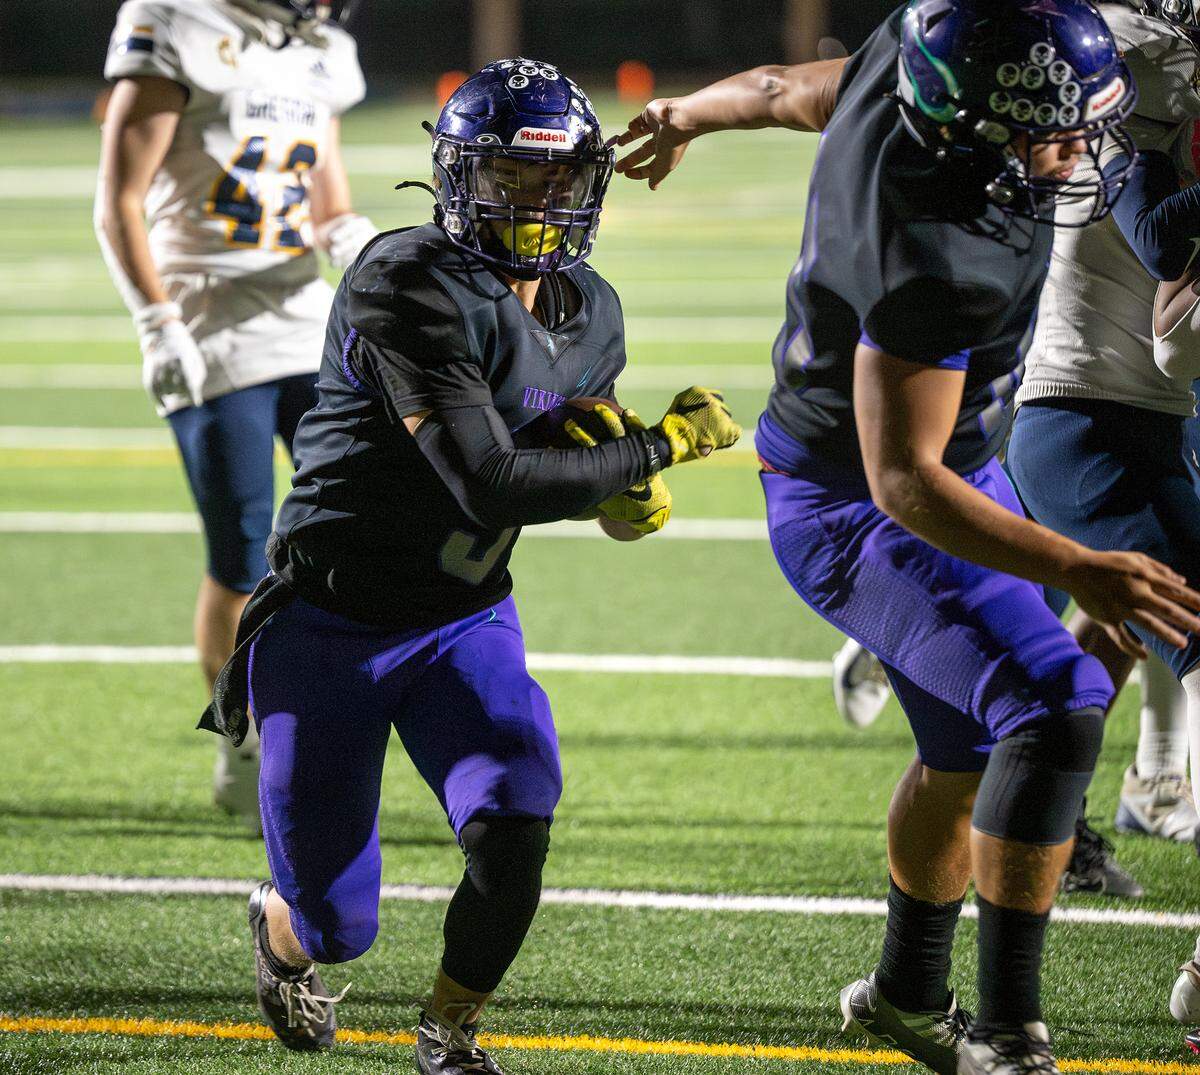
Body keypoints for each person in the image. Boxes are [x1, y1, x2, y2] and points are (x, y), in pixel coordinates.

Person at [613, 2, 1200, 1071]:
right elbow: (904, 482)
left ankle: (906, 994)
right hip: (854, 502)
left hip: (930, 466)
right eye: (1061, 131)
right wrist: (1078, 565)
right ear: (982, 132)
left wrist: (688, 113)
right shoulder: (941, 247)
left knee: (966, 746)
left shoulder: (917, 75)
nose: (1083, 151)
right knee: (1056, 703)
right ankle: (1012, 1034)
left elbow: (789, 90)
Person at [199, 60, 740, 1072]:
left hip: (463, 617)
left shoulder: (592, 310)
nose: (535, 201)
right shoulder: (406, 279)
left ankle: (448, 1032)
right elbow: (489, 480)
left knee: (516, 819)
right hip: (330, 626)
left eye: (555, 177)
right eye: (509, 176)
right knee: (336, 924)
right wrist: (657, 448)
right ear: (458, 176)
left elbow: (571, 467)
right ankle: (281, 930)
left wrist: (618, 484)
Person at [95, 0, 376, 830]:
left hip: (303, 320)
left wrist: (354, 240)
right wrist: (157, 321)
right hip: (209, 327)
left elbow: (325, 197)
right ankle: (242, 742)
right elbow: (118, 199)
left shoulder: (318, 47)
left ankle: (336, 716)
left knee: (364, 520)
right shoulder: (174, 23)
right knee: (240, 554)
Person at [1001, 0, 1200, 1042]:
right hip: (1087, 417)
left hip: (1148, 418)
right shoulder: (1140, 59)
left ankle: (1050, 807)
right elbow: (1165, 251)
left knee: (1099, 650)